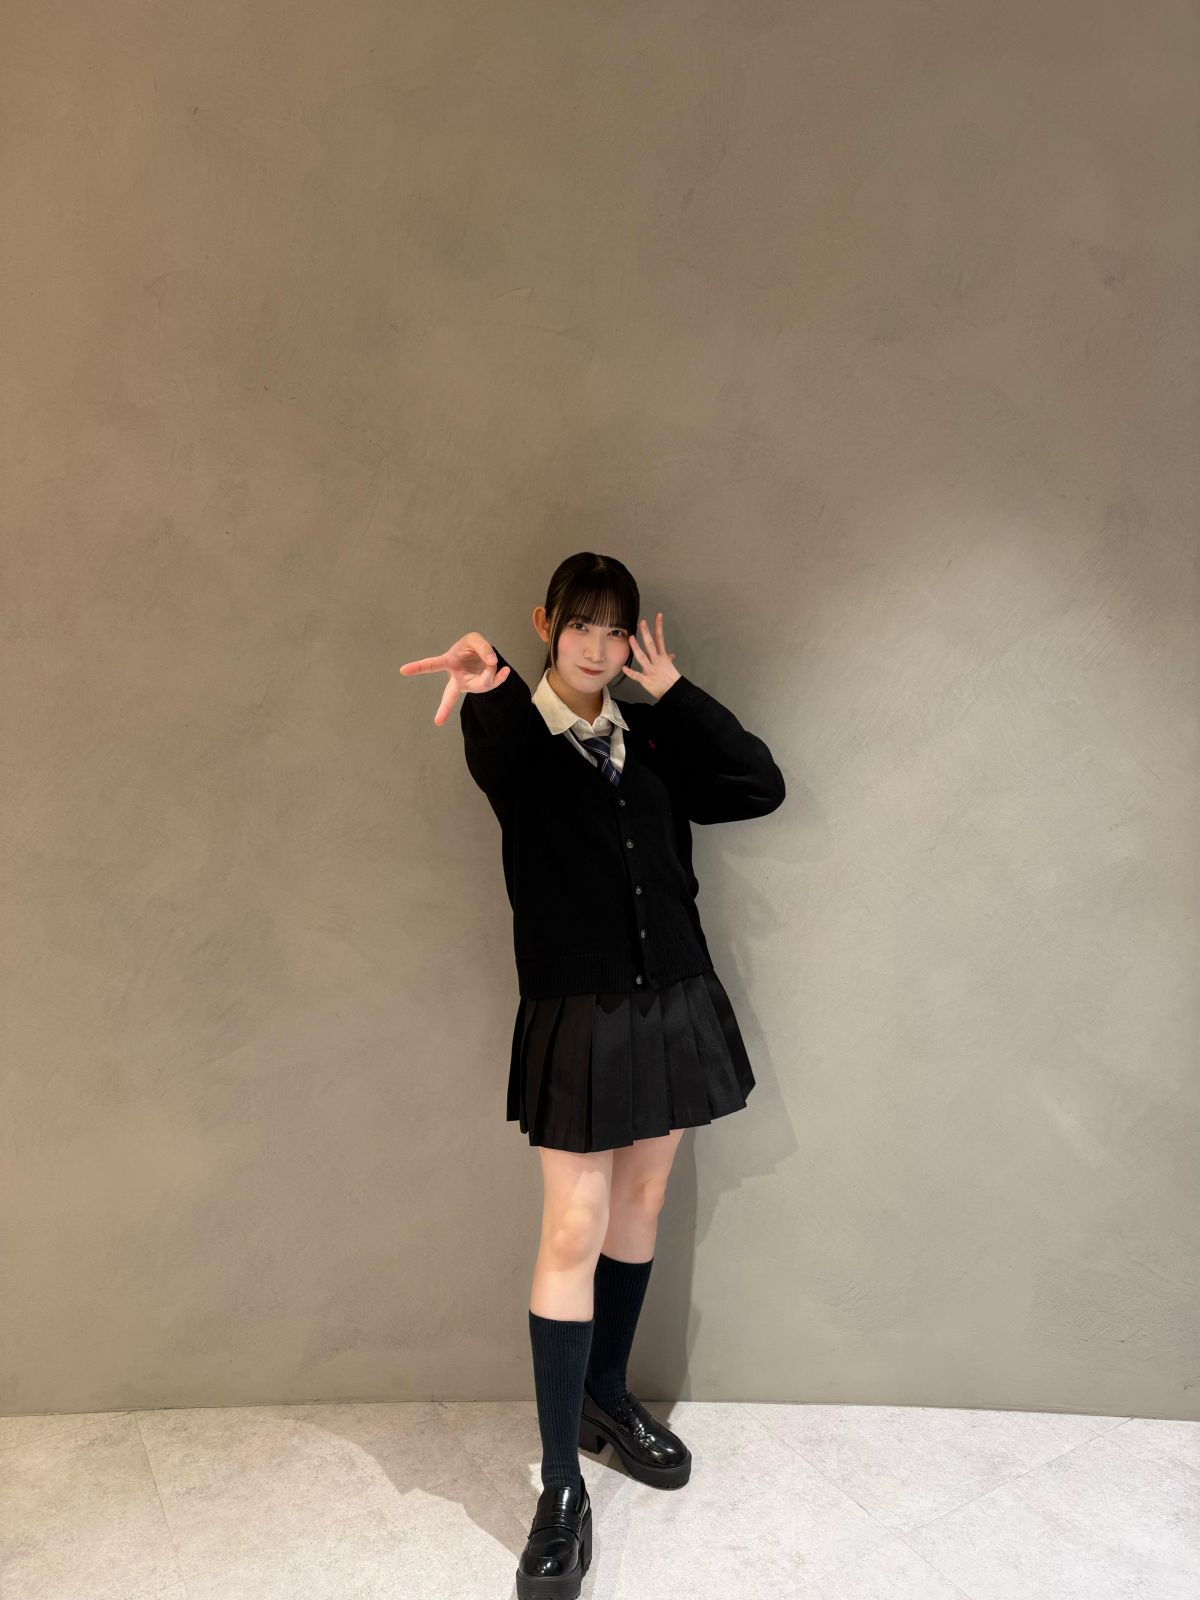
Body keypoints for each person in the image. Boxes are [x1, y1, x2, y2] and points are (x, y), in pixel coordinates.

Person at [400, 552, 786, 1599]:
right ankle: (561, 1485)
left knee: (642, 1202)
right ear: (548, 624)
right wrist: (484, 678)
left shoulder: (651, 737)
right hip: (578, 1012)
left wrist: (676, 694)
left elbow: (758, 786)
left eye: (617, 631)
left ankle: (608, 1393)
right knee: (573, 1225)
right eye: (582, 625)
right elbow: (496, 750)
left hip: (672, 1002)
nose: (600, 647)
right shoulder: (520, 740)